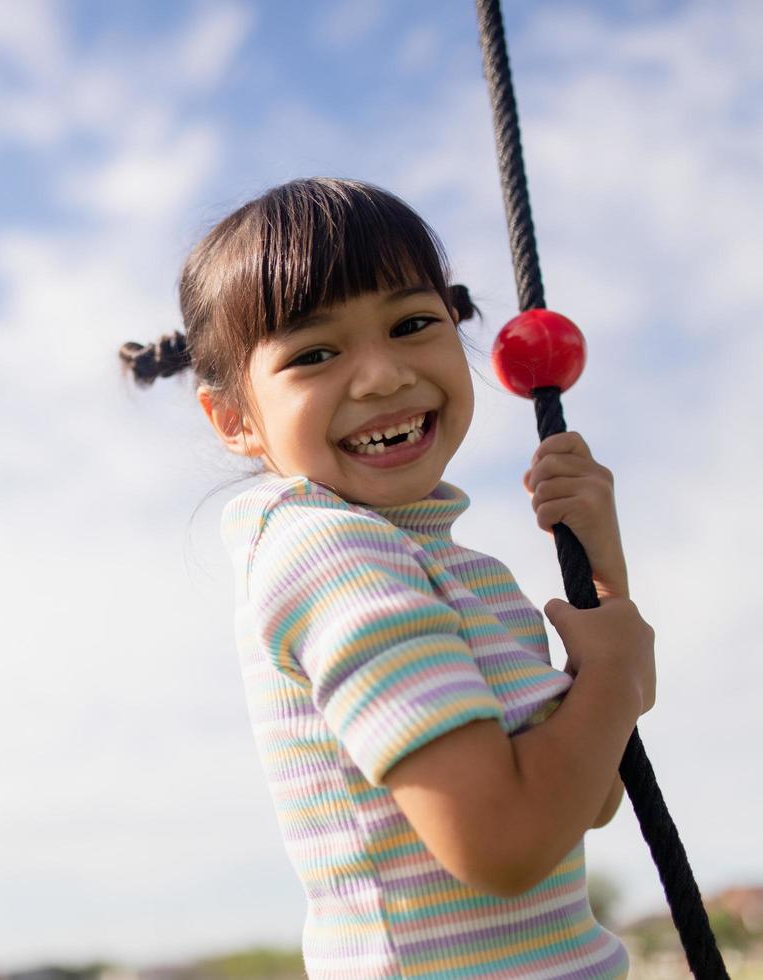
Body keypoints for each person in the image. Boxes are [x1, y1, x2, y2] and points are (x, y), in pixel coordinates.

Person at [119, 178, 654, 978]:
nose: (381, 377)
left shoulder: (459, 571)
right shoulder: (331, 554)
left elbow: (587, 799)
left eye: (411, 325)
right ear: (234, 420)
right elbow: (503, 843)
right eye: (314, 354)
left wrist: (604, 583)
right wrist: (614, 669)